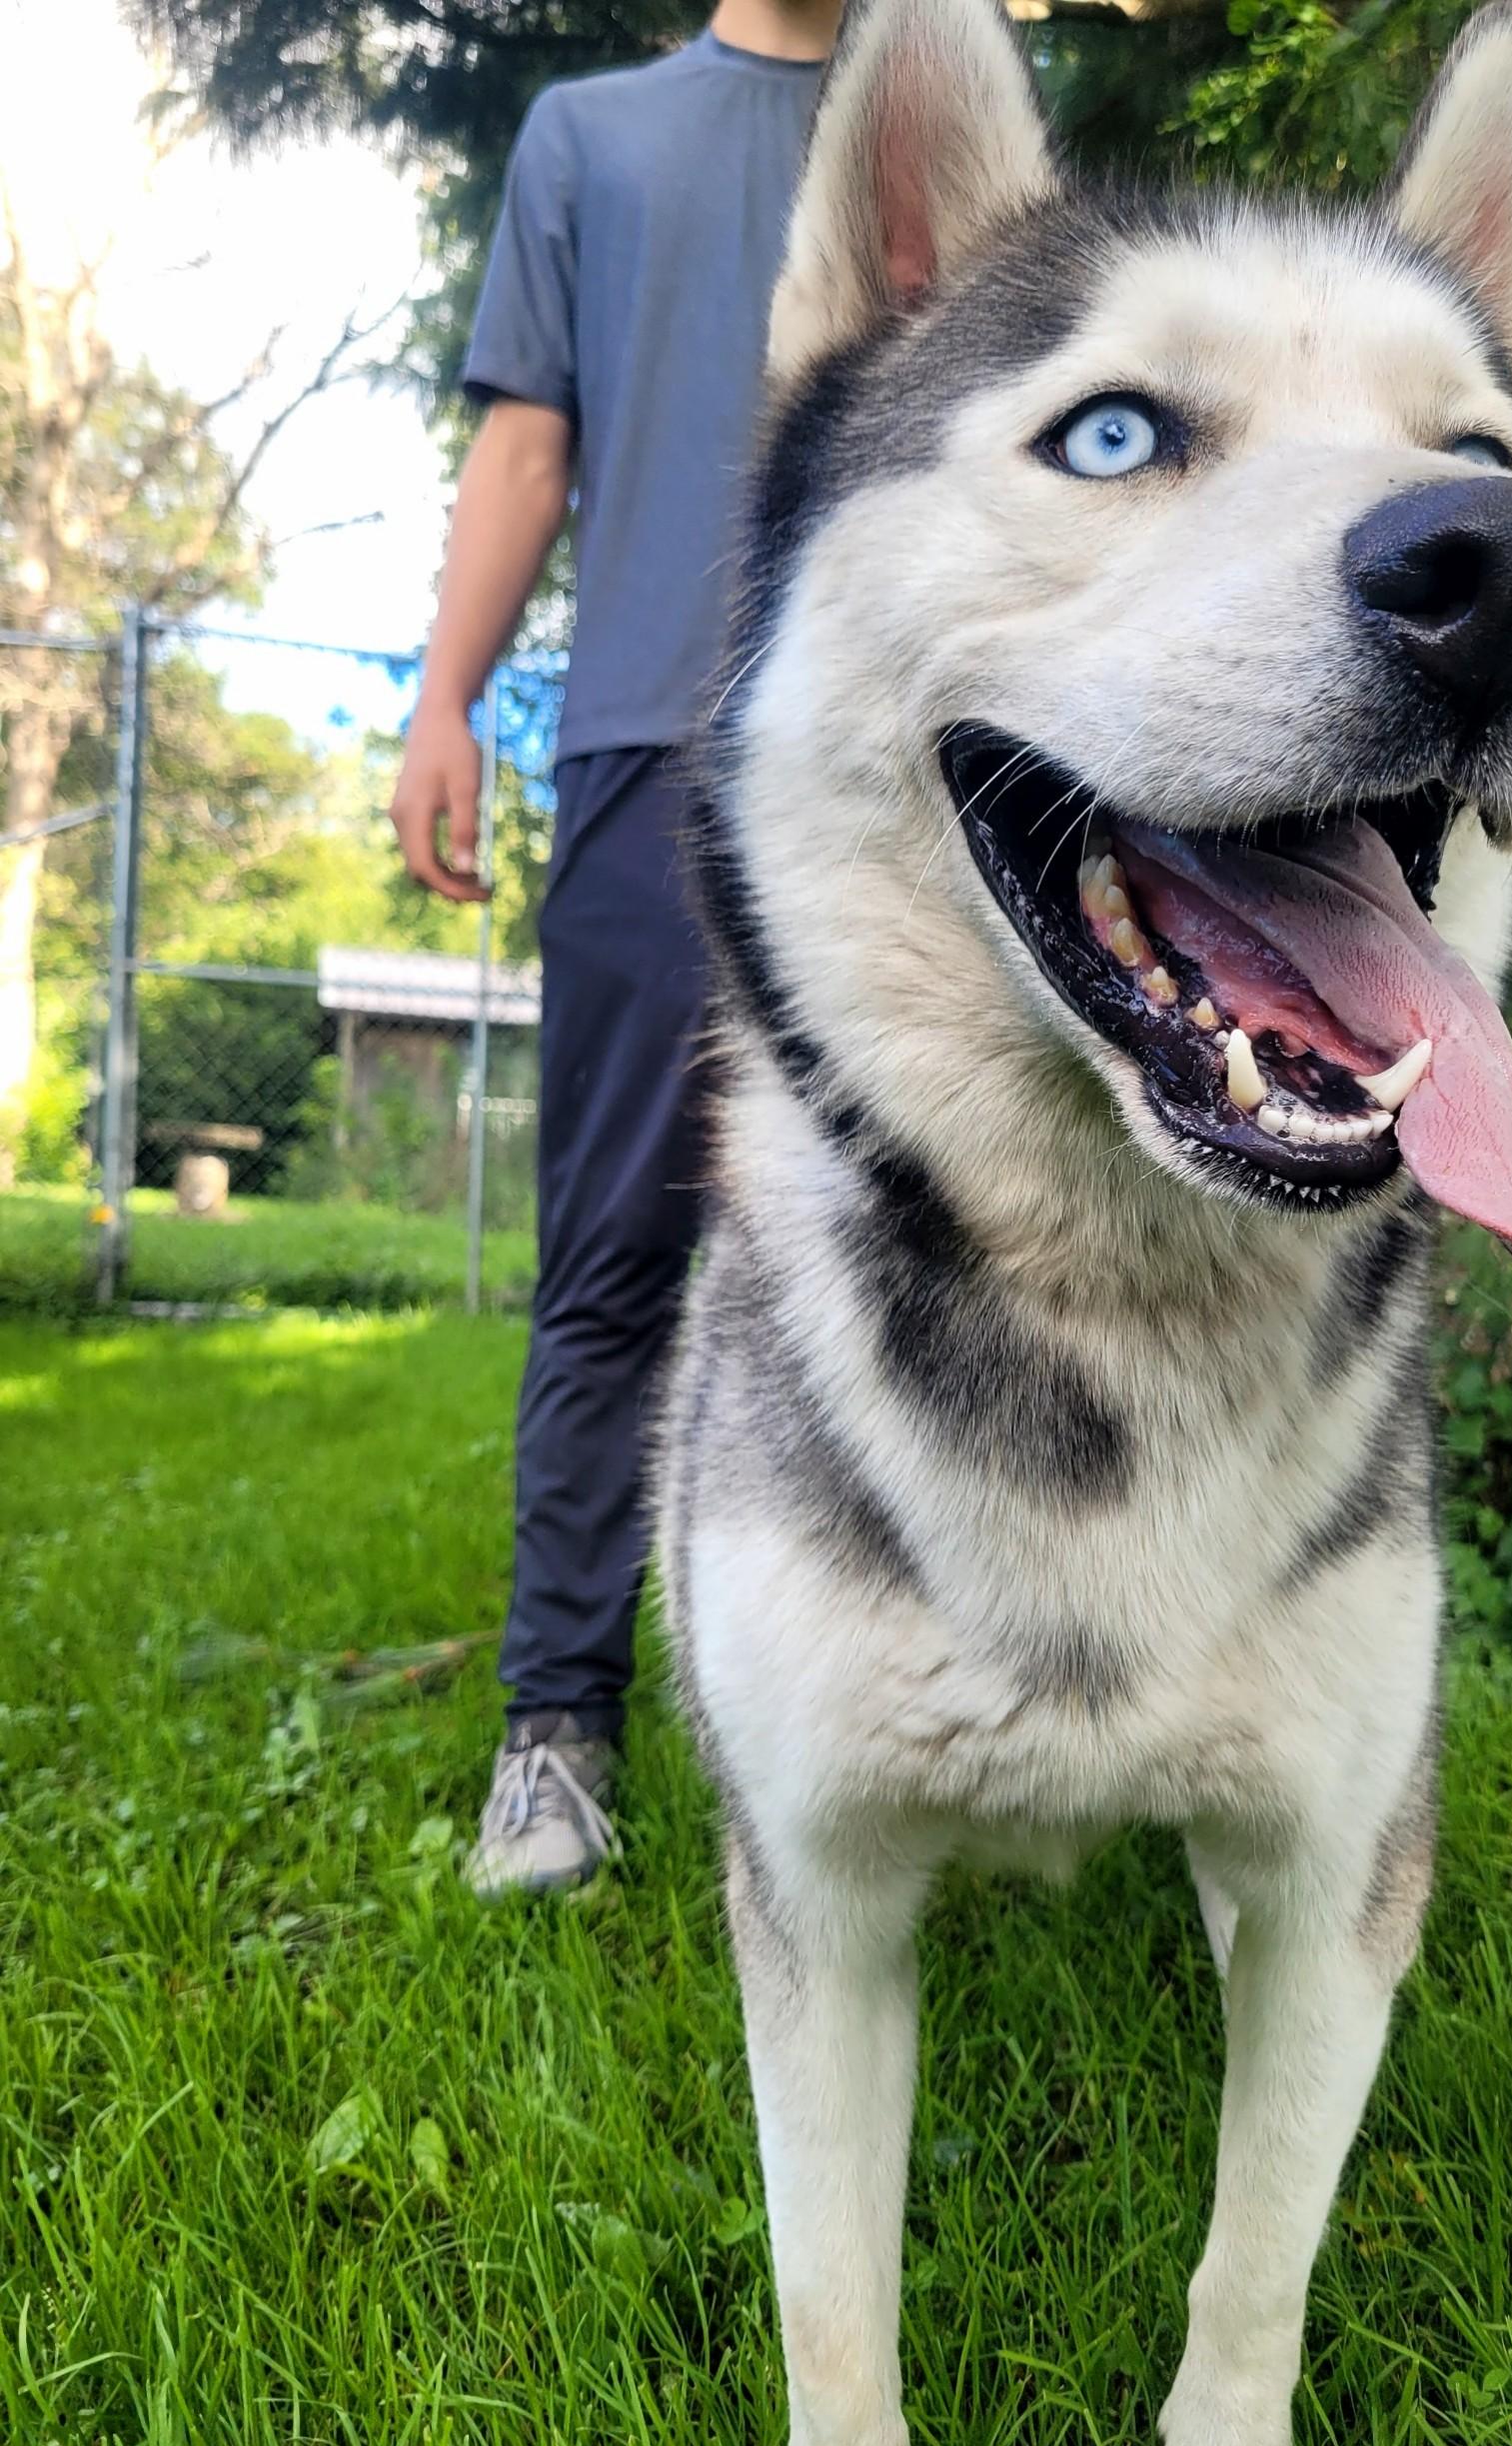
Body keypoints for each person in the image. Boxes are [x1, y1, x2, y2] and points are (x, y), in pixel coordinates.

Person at [390, 0, 843, 1894]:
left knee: (934, 1256)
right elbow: (526, 451)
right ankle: (557, 1735)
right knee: (612, 1264)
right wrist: (444, 704)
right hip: (652, 756)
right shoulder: (589, 138)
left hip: (909, 767)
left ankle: (924, 1720)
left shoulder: (971, 102)